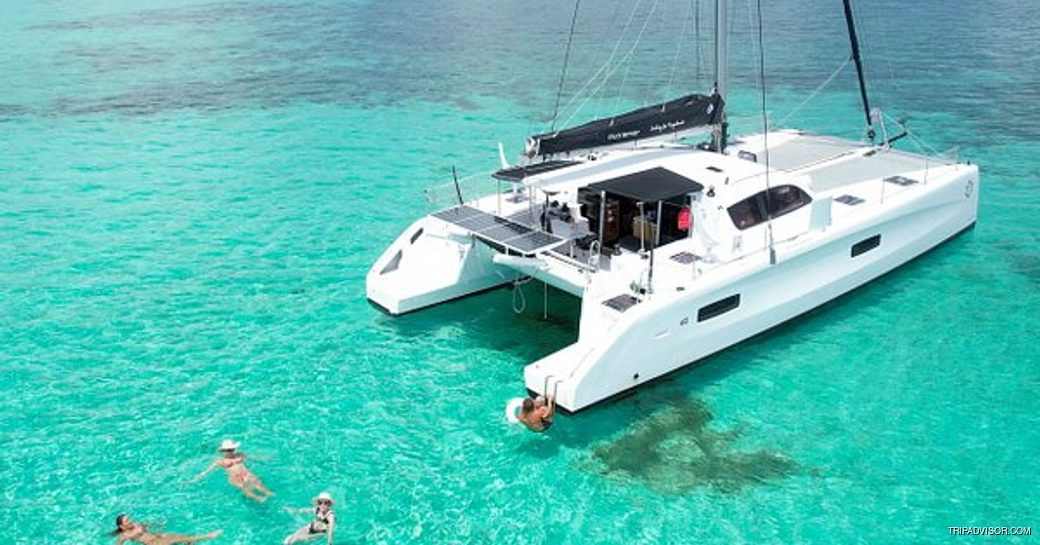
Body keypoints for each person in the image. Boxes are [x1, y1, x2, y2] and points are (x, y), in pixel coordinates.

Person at [191, 439, 274, 502]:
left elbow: (253, 459)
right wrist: (196, 478)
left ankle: (270, 495)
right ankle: (260, 499)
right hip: (235, 477)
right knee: (245, 489)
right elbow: (207, 471)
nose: (230, 452)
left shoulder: (240, 454)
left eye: (231, 450)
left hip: (246, 473)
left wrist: (264, 461)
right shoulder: (220, 461)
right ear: (224, 451)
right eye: (228, 450)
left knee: (258, 483)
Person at [111, 514, 221, 545]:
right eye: (127, 521)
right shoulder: (124, 535)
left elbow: (148, 525)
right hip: (153, 543)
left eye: (129, 518)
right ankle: (208, 536)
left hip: (159, 537)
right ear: (122, 526)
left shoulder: (137, 524)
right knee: (178, 540)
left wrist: (159, 525)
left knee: (184, 537)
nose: (130, 521)